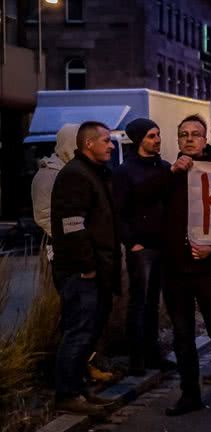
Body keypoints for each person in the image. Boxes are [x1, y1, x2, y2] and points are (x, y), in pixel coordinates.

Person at [162, 115, 211, 417]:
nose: (190, 139)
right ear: (178, 140)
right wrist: (171, 174)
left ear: (205, 138)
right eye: (184, 134)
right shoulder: (168, 174)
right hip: (175, 271)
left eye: (196, 134)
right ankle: (189, 395)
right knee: (182, 337)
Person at [30, 124, 114, 384]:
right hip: (71, 258)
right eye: (106, 140)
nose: (111, 146)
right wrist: (84, 259)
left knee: (89, 319)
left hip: (86, 257)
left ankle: (83, 371)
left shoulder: (85, 171)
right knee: (77, 321)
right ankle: (69, 385)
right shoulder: (55, 176)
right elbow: (56, 220)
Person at [51, 121, 120, 415]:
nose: (112, 145)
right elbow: (72, 225)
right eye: (106, 140)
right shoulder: (76, 176)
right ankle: (67, 394)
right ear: (88, 144)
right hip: (82, 273)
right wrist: (87, 266)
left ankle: (79, 390)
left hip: (96, 270)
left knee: (87, 332)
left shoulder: (93, 173)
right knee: (78, 332)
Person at [113, 118, 173, 375]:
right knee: (139, 300)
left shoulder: (165, 168)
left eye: (158, 134)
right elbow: (119, 212)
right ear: (139, 139)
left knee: (153, 303)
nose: (157, 139)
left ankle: (152, 353)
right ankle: (136, 358)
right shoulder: (126, 171)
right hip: (142, 247)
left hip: (162, 244)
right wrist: (131, 242)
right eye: (151, 136)